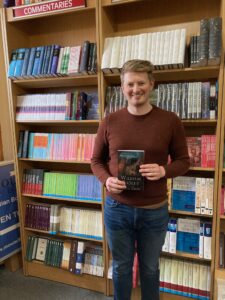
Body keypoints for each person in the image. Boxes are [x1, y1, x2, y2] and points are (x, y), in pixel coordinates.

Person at [91, 59, 190, 300]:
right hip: (117, 209)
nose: (136, 89)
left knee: (150, 268)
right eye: (130, 84)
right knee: (121, 268)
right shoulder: (110, 121)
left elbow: (184, 161)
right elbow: (96, 161)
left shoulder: (170, 120)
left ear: (152, 84)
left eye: (141, 83)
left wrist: (163, 171)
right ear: (122, 87)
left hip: (154, 212)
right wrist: (106, 180)